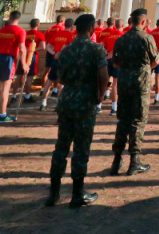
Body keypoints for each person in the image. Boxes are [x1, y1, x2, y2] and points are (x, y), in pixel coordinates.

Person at [46, 13, 108, 209]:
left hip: (67, 100)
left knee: (61, 147)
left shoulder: (66, 50)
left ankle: (53, 193)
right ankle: (77, 194)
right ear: (91, 29)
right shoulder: (96, 49)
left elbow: (60, 77)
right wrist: (100, 95)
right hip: (85, 102)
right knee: (81, 149)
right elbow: (103, 76)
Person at [110, 8, 159, 176]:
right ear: (143, 22)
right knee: (138, 120)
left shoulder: (121, 39)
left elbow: (115, 63)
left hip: (124, 83)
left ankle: (116, 160)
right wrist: (144, 69)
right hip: (141, 84)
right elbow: (155, 61)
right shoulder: (147, 38)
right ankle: (134, 161)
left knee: (123, 120)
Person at [41, 18, 75, 110]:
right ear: (72, 26)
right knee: (62, 83)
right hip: (64, 61)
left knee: (49, 81)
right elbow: (70, 48)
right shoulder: (70, 35)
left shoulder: (57, 34)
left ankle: (43, 103)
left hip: (55, 60)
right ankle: (59, 104)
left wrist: (54, 53)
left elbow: (48, 46)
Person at [99, 19, 124, 115]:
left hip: (108, 60)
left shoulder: (109, 35)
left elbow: (102, 46)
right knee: (115, 84)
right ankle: (114, 108)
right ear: (122, 25)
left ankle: (98, 106)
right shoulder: (123, 36)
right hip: (118, 60)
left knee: (104, 83)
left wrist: (107, 54)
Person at [21, 18, 46, 103]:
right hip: (32, 56)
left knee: (23, 75)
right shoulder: (39, 34)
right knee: (30, 76)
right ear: (38, 25)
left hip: (24, 55)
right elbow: (43, 47)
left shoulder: (25, 33)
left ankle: (20, 95)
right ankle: (27, 96)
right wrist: (33, 50)